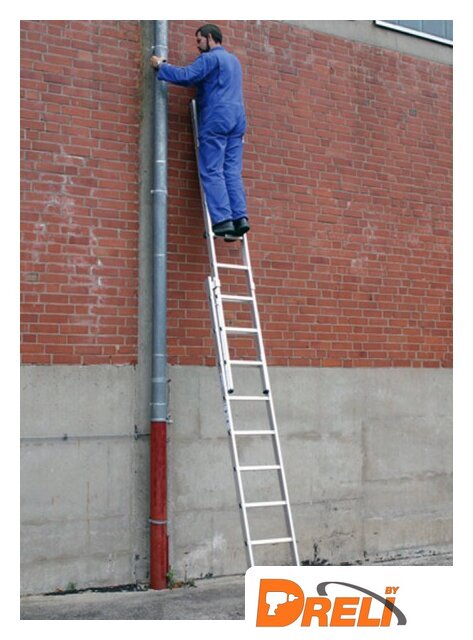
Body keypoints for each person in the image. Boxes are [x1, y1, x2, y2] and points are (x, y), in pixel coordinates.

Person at [150, 24, 250, 238]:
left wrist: (161, 65)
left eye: (199, 40)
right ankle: (240, 218)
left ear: (210, 37)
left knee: (212, 170)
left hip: (217, 117)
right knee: (231, 171)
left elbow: (187, 75)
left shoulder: (209, 58)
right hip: (238, 119)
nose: (198, 46)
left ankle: (222, 221)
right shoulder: (234, 61)